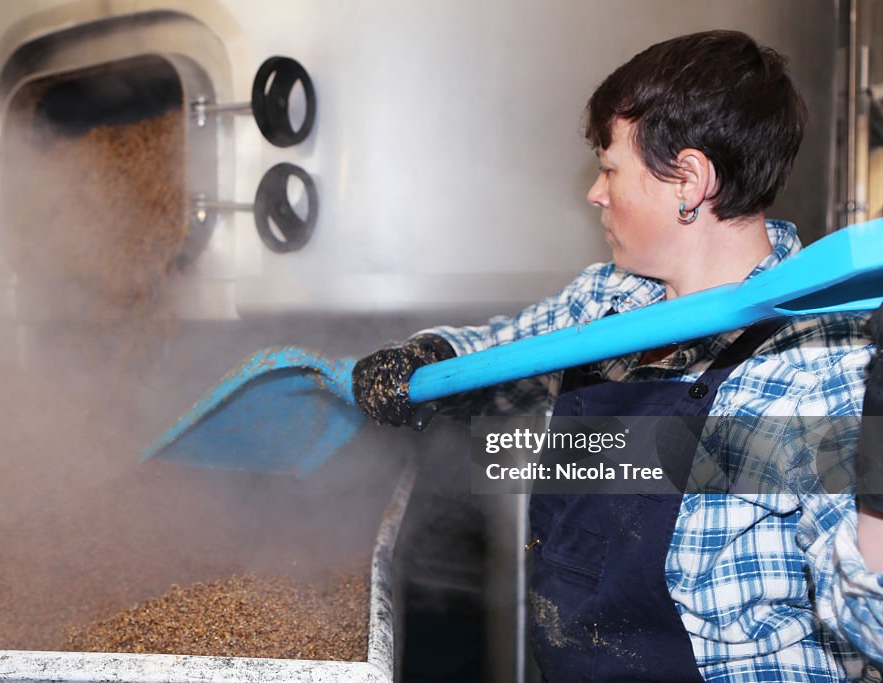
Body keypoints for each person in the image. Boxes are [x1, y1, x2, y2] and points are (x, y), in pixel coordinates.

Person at [352, 31, 883, 682]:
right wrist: (427, 357)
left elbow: (872, 629)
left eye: (610, 168)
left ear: (688, 180)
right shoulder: (605, 299)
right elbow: (500, 360)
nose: (594, 194)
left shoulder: (817, 368)